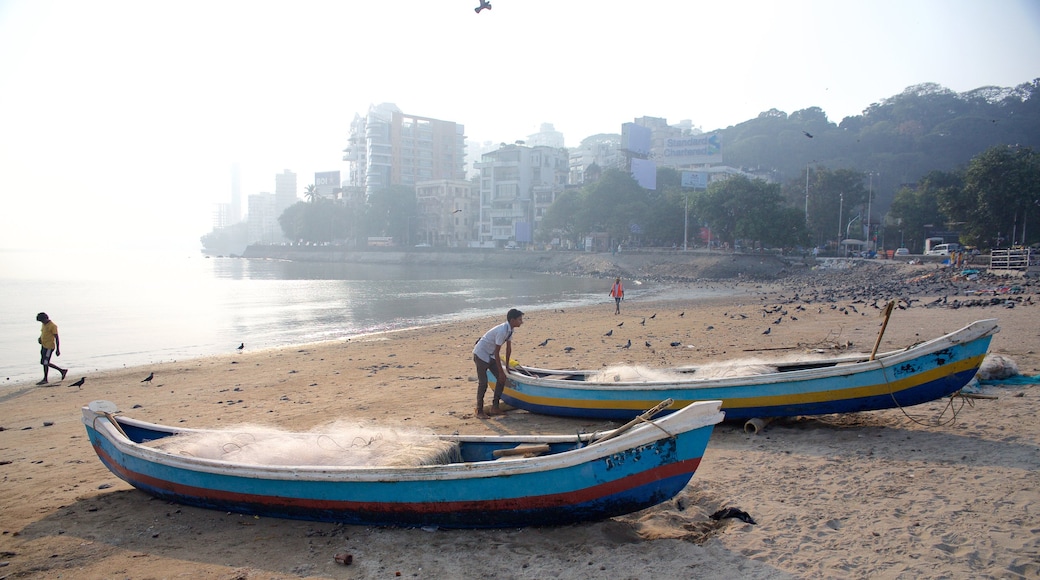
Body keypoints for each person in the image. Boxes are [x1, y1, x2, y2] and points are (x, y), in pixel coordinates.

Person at [473, 308, 523, 419]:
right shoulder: (502, 331)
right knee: (483, 383)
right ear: (512, 320)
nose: (521, 322)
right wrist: (500, 371)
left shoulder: (510, 330)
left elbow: (508, 348)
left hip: (490, 355)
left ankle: (495, 407)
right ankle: (479, 410)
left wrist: (507, 367)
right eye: (519, 319)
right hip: (481, 354)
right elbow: (497, 352)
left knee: (502, 379)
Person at [36, 312, 67, 385]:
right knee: (43, 362)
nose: (42, 322)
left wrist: (58, 349)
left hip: (49, 347)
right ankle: (59, 372)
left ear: (45, 318)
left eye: (42, 321)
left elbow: (57, 338)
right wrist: (40, 338)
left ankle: (48, 377)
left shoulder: (52, 326)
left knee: (45, 362)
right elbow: (43, 333)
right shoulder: (44, 324)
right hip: (44, 345)